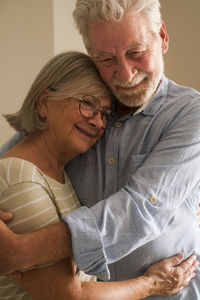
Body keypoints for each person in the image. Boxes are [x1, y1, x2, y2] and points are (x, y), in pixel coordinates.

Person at [0, 0, 200, 298]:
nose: (126, 73)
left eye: (136, 52)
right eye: (105, 59)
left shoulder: (190, 114)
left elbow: (141, 208)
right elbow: (19, 158)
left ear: (162, 37)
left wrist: (21, 251)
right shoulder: (81, 118)